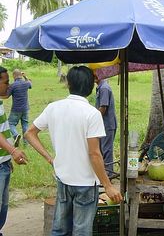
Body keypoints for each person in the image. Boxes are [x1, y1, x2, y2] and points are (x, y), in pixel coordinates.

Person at [24, 66, 122, 235]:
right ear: (91, 87)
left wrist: (49, 158)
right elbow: (94, 153)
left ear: (68, 84)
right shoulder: (92, 114)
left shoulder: (53, 107)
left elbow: (29, 133)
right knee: (81, 231)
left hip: (63, 179)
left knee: (60, 229)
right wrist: (108, 185)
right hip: (85, 183)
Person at [0, 66, 28, 236]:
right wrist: (13, 150)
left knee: (3, 205)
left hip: (3, 163)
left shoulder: (1, 102)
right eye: (5, 82)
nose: (8, 86)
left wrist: (7, 159)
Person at [95, 77, 117, 178]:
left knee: (106, 150)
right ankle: (104, 173)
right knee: (102, 149)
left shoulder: (104, 88)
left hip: (107, 125)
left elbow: (103, 108)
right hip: (103, 124)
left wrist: (92, 119)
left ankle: (108, 174)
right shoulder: (101, 87)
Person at [6, 69, 32, 146]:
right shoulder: (26, 83)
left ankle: (15, 135)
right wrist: (25, 76)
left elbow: (7, 95)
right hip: (25, 109)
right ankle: (26, 143)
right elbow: (30, 84)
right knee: (25, 125)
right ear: (21, 75)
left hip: (16, 109)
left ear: (14, 76)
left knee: (10, 123)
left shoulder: (13, 85)